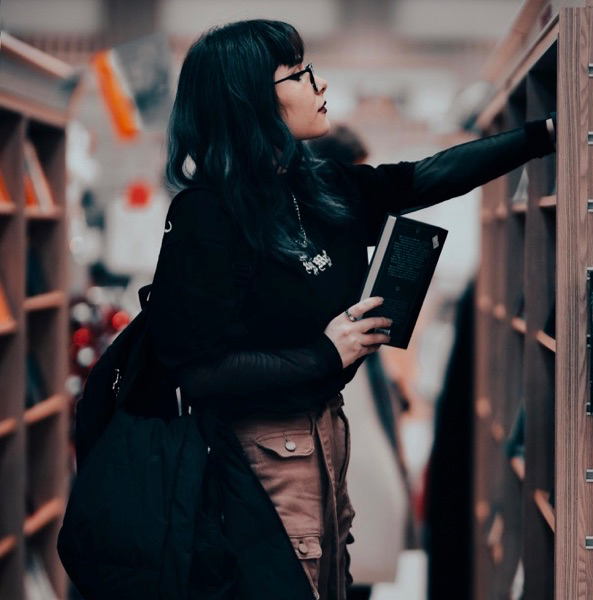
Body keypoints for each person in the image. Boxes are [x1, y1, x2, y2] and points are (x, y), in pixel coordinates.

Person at [149, 19, 556, 600]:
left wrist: (541, 133)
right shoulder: (206, 217)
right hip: (257, 462)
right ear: (251, 101)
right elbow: (202, 371)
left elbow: (424, 178)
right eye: (297, 74)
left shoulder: (314, 188)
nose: (318, 85)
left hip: (326, 439)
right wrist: (325, 351)